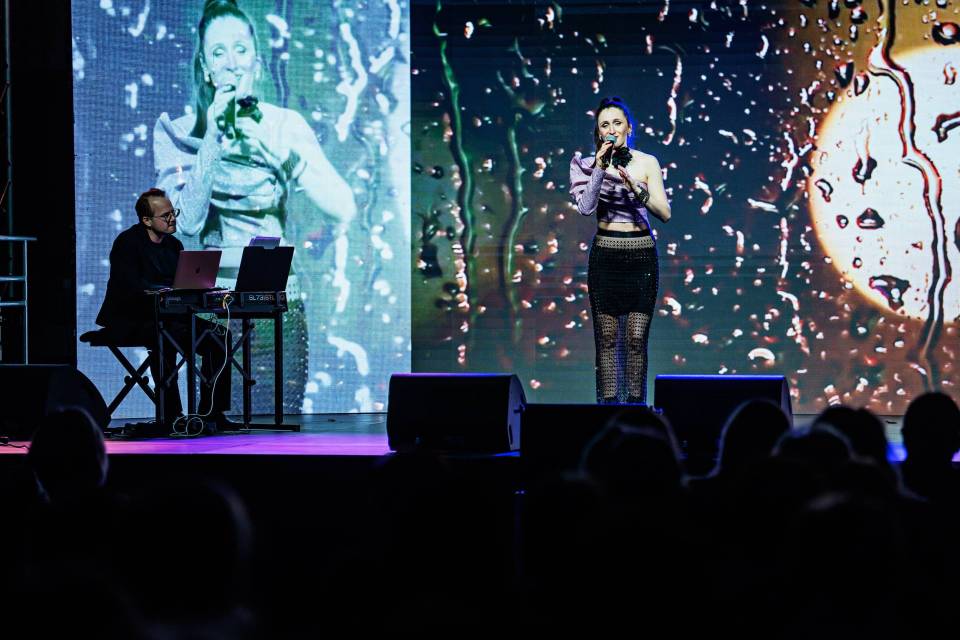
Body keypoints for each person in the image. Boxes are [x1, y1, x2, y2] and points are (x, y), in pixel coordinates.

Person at [153, 0, 356, 412]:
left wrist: (287, 157)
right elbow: (185, 223)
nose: (231, 63)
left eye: (241, 49)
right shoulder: (177, 132)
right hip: (210, 303)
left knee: (276, 419)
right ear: (205, 67)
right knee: (215, 419)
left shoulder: (285, 125)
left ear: (257, 62)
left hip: (275, 299)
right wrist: (212, 138)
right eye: (219, 52)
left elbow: (343, 206)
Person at [95, 188, 233, 430]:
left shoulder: (174, 245)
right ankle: (172, 415)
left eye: (173, 213)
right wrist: (162, 292)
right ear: (146, 220)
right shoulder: (128, 243)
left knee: (220, 335)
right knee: (165, 336)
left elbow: (183, 283)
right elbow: (129, 287)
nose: (172, 219)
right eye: (165, 215)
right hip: (131, 318)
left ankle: (211, 413)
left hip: (172, 317)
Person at [569, 96, 671, 404]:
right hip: (606, 258)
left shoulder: (647, 162)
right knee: (607, 338)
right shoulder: (586, 165)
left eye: (617, 123)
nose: (612, 129)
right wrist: (600, 168)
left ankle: (636, 409)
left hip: (641, 258)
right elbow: (586, 207)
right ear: (598, 132)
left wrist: (636, 189)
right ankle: (609, 409)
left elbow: (664, 213)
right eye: (605, 125)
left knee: (636, 339)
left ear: (628, 127)